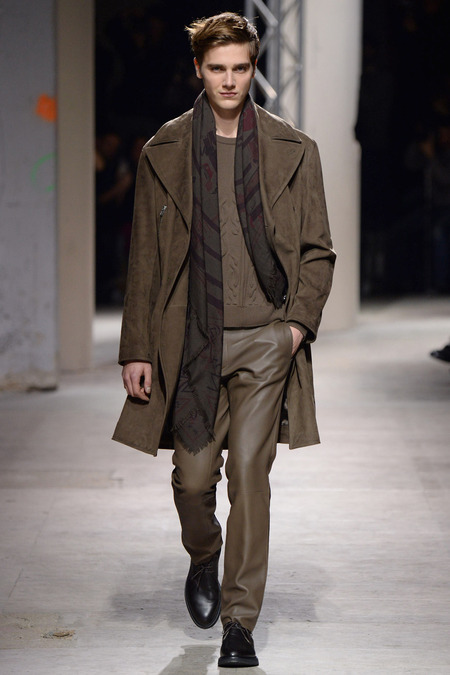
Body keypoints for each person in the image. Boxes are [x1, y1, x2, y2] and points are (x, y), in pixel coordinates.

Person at [113, 12, 335, 669]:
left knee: (249, 477)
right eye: (217, 69)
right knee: (190, 481)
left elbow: (318, 250)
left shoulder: (294, 149)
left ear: (253, 67)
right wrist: (137, 347)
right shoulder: (165, 150)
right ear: (199, 70)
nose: (230, 80)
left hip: (266, 340)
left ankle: (240, 623)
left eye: (240, 68)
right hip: (191, 341)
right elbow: (145, 258)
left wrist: (295, 328)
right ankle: (204, 552)